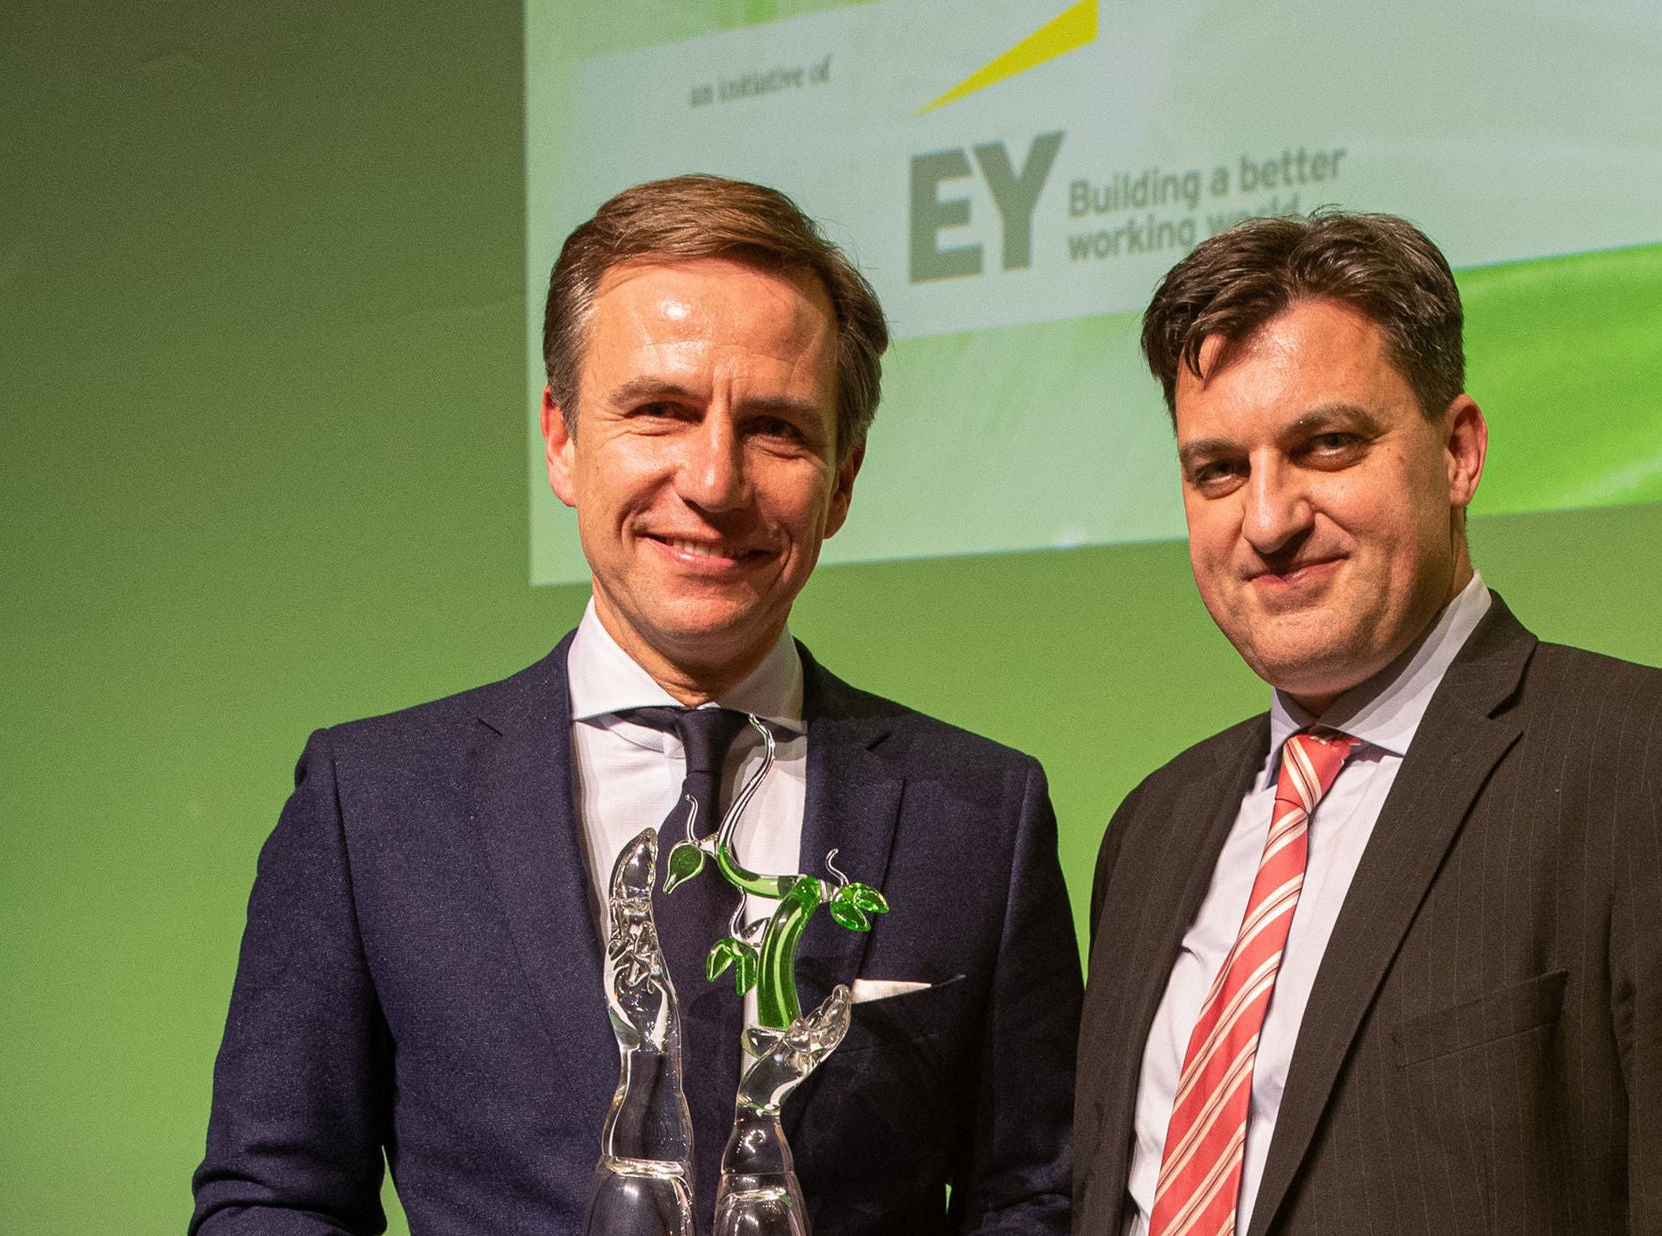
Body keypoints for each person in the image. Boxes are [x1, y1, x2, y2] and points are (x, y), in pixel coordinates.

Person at [193, 176, 1082, 1236]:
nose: (713, 480)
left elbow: (1031, 1198)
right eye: (660, 410)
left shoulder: (980, 814)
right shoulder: (372, 804)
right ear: (562, 438)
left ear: (842, 479)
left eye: (776, 428)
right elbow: (273, 1198)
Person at [1072, 212, 1662, 1236]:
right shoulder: (1151, 830)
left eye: (1326, 445)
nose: (1269, 519)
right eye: (1219, 471)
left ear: (1458, 451)